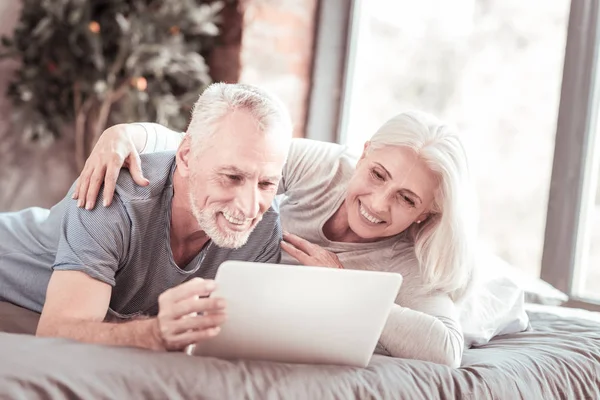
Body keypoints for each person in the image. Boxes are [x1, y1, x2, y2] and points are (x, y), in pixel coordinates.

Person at [78, 110, 478, 367]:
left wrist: (351, 288)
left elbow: (447, 349)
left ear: (425, 213)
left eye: (406, 199)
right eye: (377, 174)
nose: (378, 202)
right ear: (365, 152)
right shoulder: (321, 169)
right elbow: (211, 151)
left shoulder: (409, 257)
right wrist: (125, 133)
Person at [0, 83, 293, 351]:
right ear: (187, 157)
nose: (250, 206)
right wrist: (153, 334)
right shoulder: (114, 198)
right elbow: (56, 332)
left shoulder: (264, 229)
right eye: (231, 177)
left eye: (266, 184)